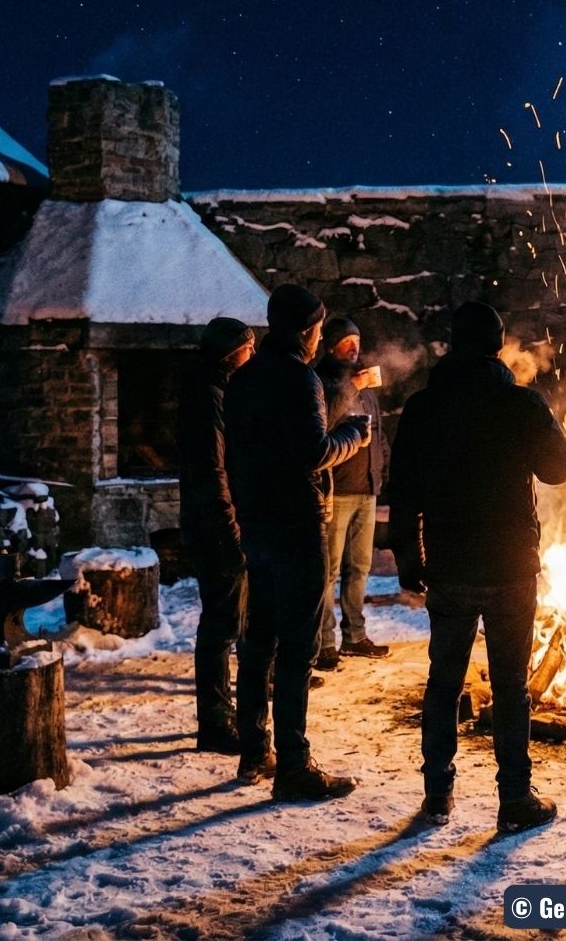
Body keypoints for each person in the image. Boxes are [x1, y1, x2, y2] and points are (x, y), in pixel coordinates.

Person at [389, 301, 566, 832]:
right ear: (497, 346)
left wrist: (409, 559)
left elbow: (403, 493)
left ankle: (437, 793)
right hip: (510, 564)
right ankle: (514, 798)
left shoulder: (424, 407)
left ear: (453, 344)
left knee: (444, 681)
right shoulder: (520, 404)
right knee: (511, 686)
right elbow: (559, 469)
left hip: (449, 563)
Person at [225, 284, 370, 799]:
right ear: (307, 330)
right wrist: (355, 435)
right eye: (317, 329)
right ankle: (294, 764)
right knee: (297, 646)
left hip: (257, 523)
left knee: (258, 640)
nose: (317, 339)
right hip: (298, 525)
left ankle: (253, 750)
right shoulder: (299, 377)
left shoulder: (243, 379)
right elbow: (314, 451)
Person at [177, 317, 256, 754]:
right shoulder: (208, 398)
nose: (253, 354)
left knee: (235, 620)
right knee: (222, 624)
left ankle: (232, 712)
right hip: (216, 527)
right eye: (248, 348)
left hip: (224, 523)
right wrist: (230, 528)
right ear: (231, 353)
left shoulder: (222, 391)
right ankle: (215, 723)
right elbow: (212, 472)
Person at [314, 316, 390, 668]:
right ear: (330, 346)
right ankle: (324, 643)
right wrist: (353, 387)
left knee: (359, 567)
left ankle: (355, 636)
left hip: (366, 490)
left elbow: (378, 432)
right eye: (346, 342)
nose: (354, 347)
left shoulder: (365, 384)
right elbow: (326, 421)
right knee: (328, 571)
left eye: (356, 341)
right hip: (338, 490)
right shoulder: (321, 382)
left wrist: (382, 470)